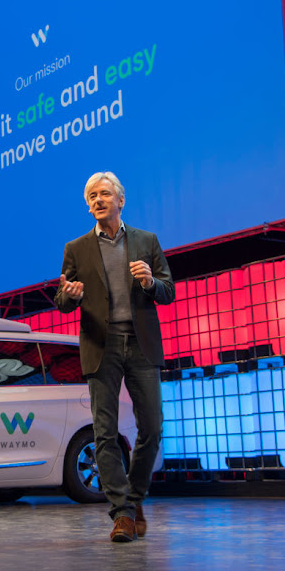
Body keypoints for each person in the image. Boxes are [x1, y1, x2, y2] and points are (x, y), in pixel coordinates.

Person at [54, 171, 175, 542]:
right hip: (100, 344)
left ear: (121, 200)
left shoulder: (146, 241)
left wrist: (150, 283)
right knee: (104, 433)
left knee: (152, 428)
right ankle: (121, 513)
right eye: (91, 195)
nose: (97, 199)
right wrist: (70, 296)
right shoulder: (75, 248)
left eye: (104, 193)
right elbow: (61, 300)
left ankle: (134, 497)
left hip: (140, 343)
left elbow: (168, 291)